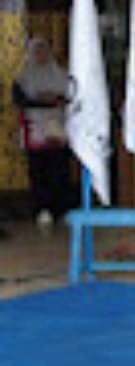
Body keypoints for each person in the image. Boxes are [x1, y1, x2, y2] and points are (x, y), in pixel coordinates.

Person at [12, 37, 73, 226]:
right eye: (37, 51)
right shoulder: (23, 78)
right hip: (35, 129)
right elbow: (20, 101)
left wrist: (57, 99)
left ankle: (60, 209)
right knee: (39, 171)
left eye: (44, 50)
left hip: (57, 128)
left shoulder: (61, 74)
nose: (41, 55)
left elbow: (72, 96)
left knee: (59, 169)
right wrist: (43, 101)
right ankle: (42, 208)